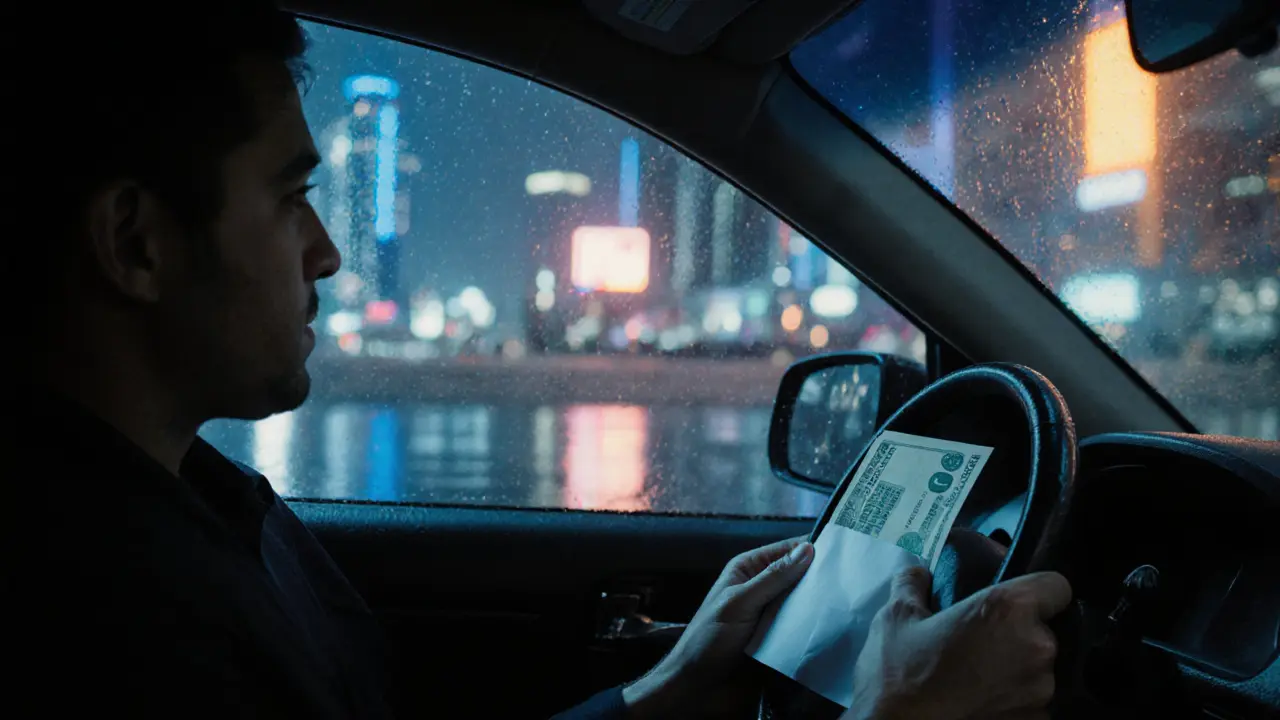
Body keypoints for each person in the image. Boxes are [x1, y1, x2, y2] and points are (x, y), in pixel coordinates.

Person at [8, 1, 1071, 718]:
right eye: (289, 198)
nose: (325, 251)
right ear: (137, 243)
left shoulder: (204, 500)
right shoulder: (91, 613)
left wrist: (668, 685)